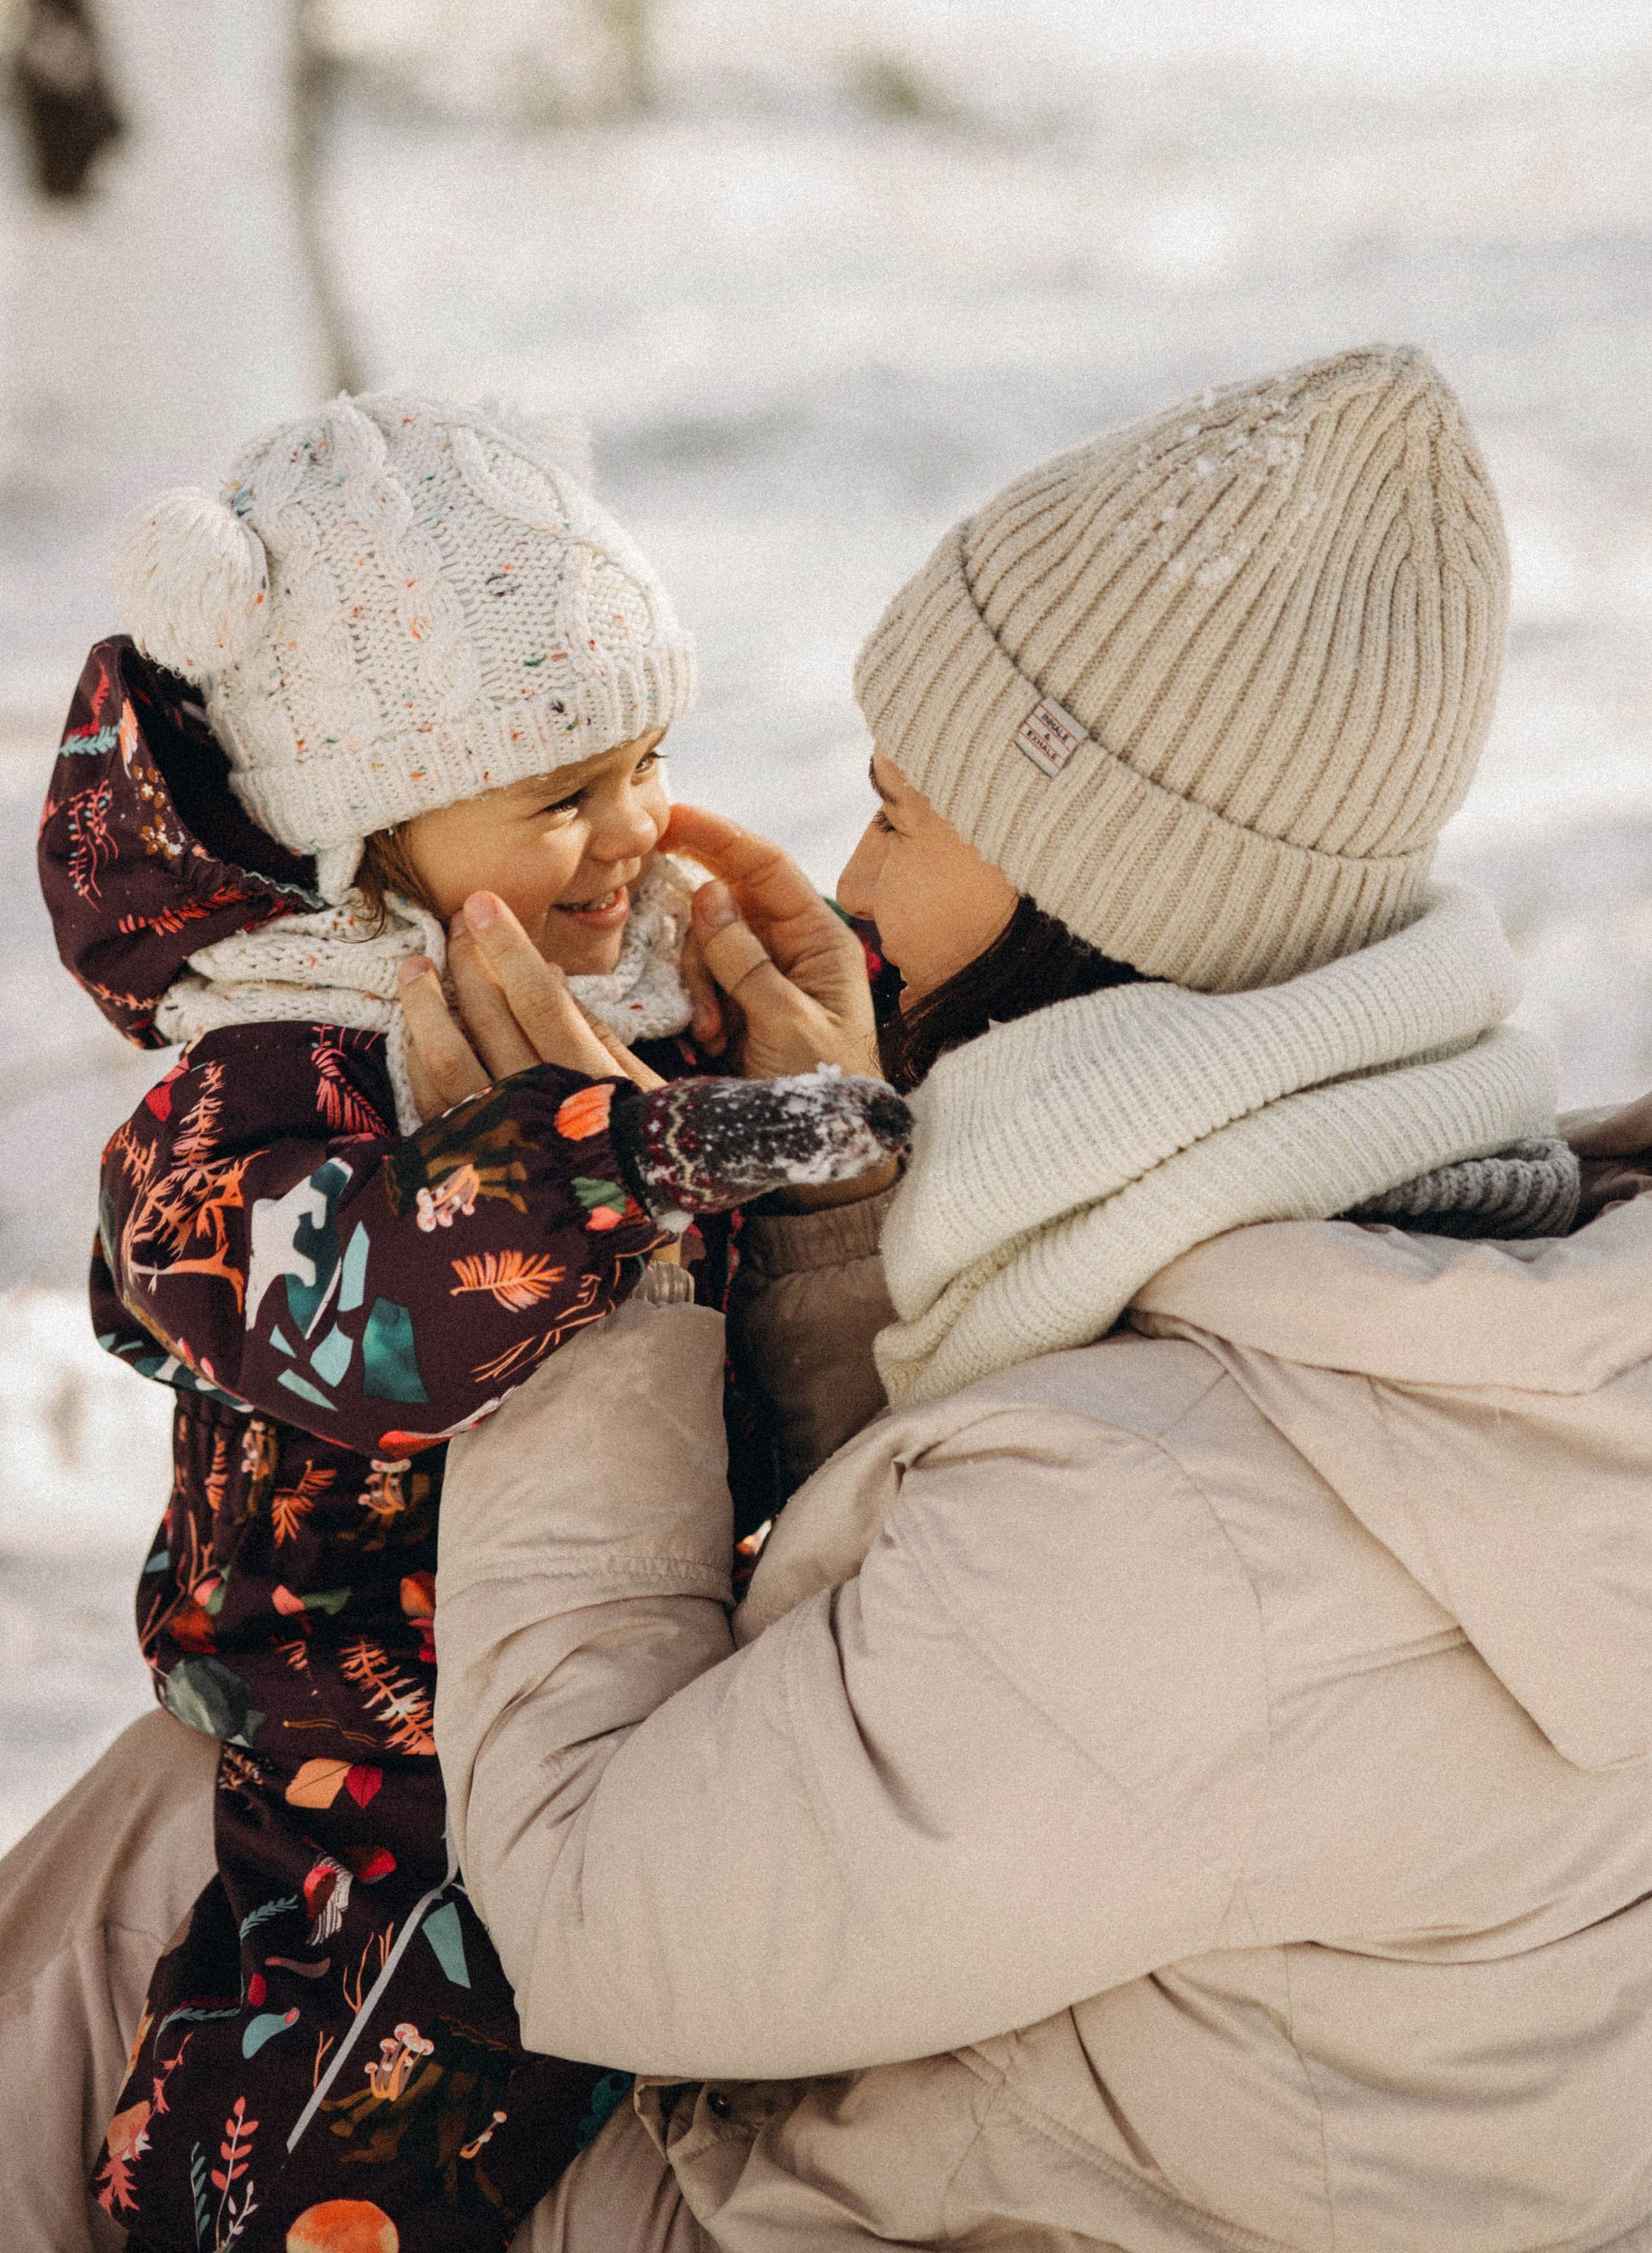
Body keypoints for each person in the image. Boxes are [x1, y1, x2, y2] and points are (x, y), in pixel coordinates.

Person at [425, 344, 1652, 2252]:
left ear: (1102, 886)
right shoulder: (1410, 1280)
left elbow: (585, 1913)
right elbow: (983, 1642)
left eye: (904, 815)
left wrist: (590, 1266)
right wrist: (840, 1237)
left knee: (199, 1881)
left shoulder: (1175, 1523)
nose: (846, 879)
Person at [27, 394, 903, 2252]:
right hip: (357, 1717)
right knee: (347, 2096)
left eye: (648, 758)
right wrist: (603, 1156)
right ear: (364, 826)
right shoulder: (253, 1084)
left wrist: (816, 1093)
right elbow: (361, 1322)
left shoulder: (654, 996)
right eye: (562, 796)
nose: (635, 831)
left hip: (629, 1655)